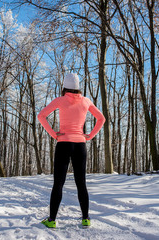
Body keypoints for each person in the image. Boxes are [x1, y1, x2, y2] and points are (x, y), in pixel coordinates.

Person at [37, 73, 105, 228]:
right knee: (81, 183)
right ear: (78, 87)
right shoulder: (86, 101)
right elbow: (102, 119)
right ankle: (86, 218)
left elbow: (41, 116)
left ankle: (52, 220)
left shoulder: (60, 100)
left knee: (58, 184)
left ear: (65, 86)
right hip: (80, 145)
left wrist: (54, 134)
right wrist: (89, 136)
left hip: (63, 144)